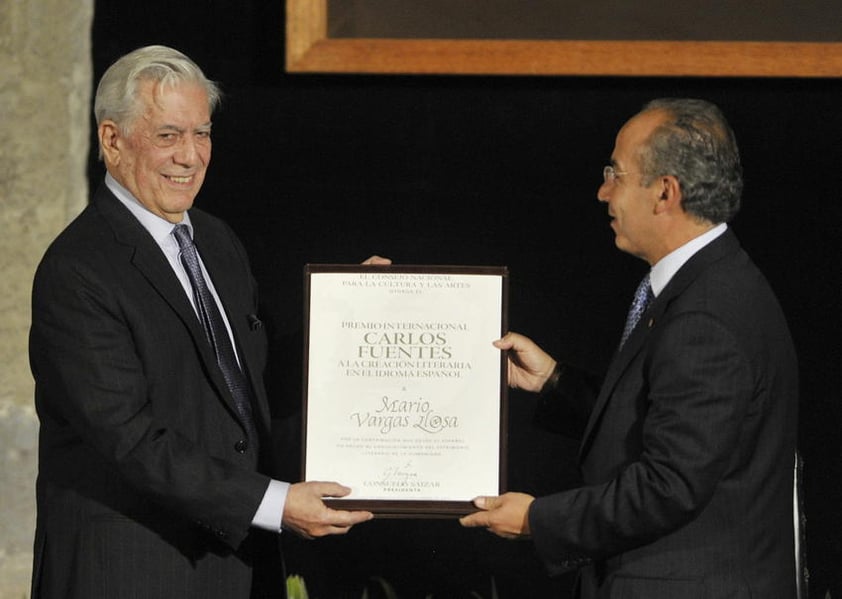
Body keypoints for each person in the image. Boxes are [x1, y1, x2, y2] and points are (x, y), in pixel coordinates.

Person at [29, 45, 381, 599]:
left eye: (202, 134)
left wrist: (349, 321)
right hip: (132, 573)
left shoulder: (215, 240)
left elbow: (245, 385)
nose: (190, 157)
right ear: (111, 140)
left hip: (235, 568)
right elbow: (132, 441)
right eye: (168, 135)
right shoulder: (78, 271)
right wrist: (274, 504)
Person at [460, 98, 799, 597]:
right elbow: (661, 423)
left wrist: (538, 520)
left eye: (614, 174)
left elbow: (670, 485)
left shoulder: (706, 314)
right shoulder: (712, 282)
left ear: (665, 192)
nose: (602, 193)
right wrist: (555, 380)